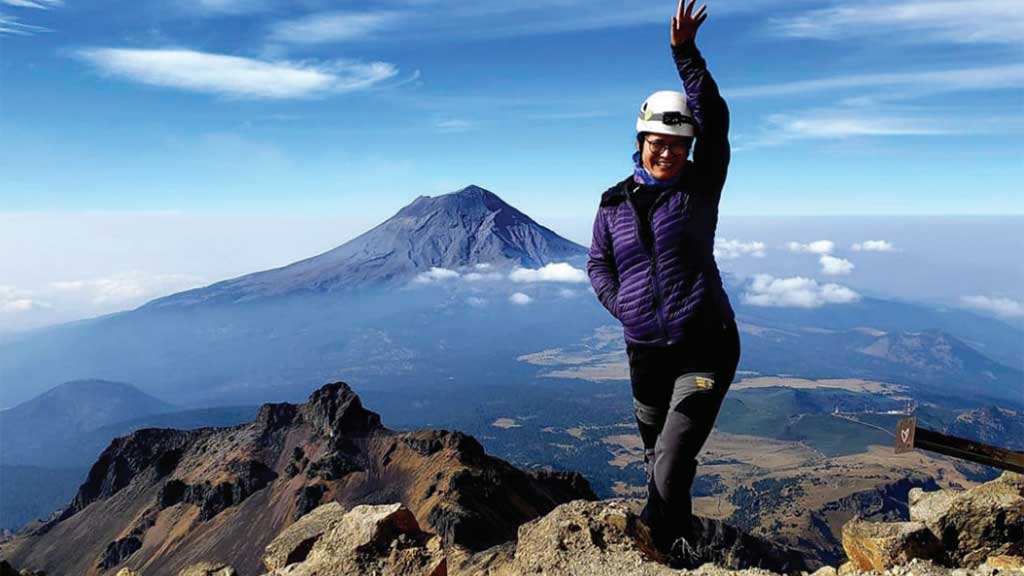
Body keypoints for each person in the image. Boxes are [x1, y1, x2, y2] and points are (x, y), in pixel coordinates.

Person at [586, 0, 740, 566]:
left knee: (672, 459)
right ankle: (672, 529)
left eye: (678, 143)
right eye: (659, 140)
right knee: (657, 457)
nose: (668, 150)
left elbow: (716, 120)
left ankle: (674, 551)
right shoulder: (612, 203)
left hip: (706, 344)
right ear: (641, 140)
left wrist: (685, 55)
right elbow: (598, 264)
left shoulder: (701, 187)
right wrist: (623, 306)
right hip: (645, 354)